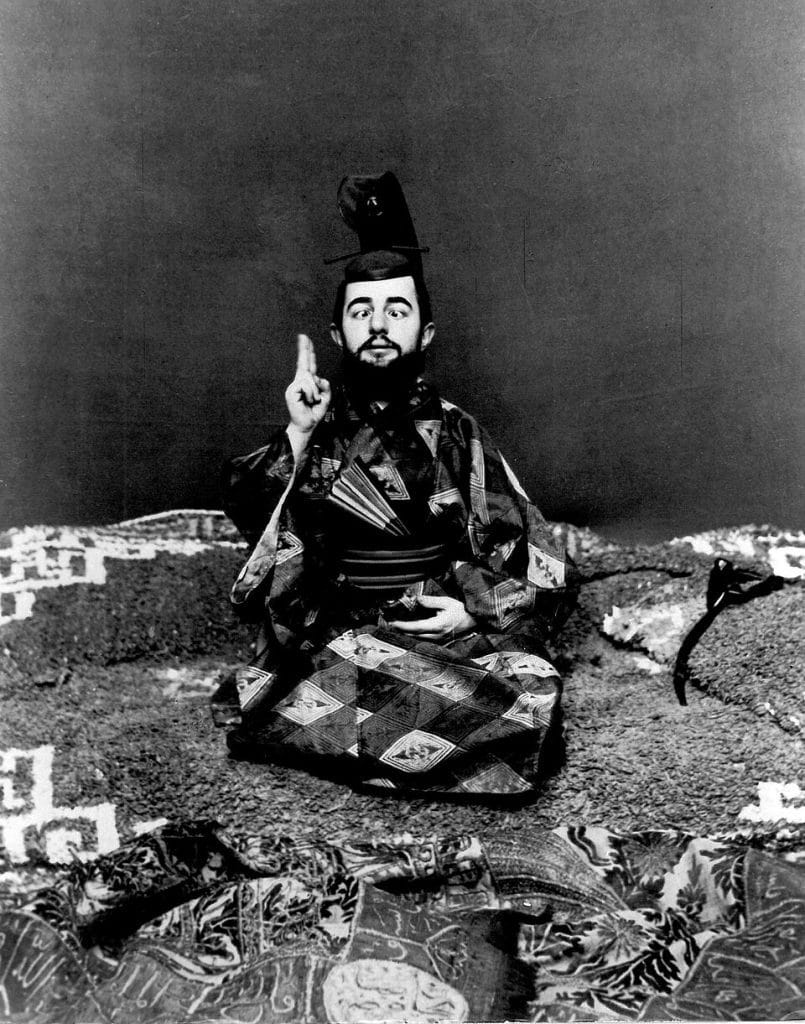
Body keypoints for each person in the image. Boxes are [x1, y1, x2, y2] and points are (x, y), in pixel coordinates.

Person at [213, 172, 578, 796]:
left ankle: (369, 745)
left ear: (425, 333)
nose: (378, 324)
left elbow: (537, 555)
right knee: (319, 688)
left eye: (396, 310)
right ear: (339, 335)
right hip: (338, 635)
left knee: (527, 692)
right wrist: (298, 433)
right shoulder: (316, 427)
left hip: (436, 631)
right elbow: (250, 516)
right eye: (361, 312)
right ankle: (416, 745)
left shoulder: (458, 432)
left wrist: (469, 610)